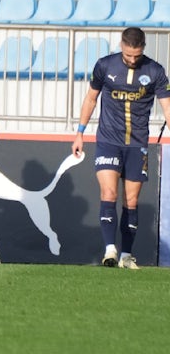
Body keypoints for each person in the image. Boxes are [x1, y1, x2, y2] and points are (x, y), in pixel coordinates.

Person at [72, 27, 170, 269]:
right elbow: (91, 98)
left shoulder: (155, 71)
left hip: (138, 144)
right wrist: (80, 133)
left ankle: (127, 254)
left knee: (131, 201)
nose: (132, 60)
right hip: (108, 140)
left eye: (136, 56)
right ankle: (110, 251)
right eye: (128, 55)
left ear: (143, 49)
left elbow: (167, 106)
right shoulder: (105, 66)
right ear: (121, 46)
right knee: (108, 194)